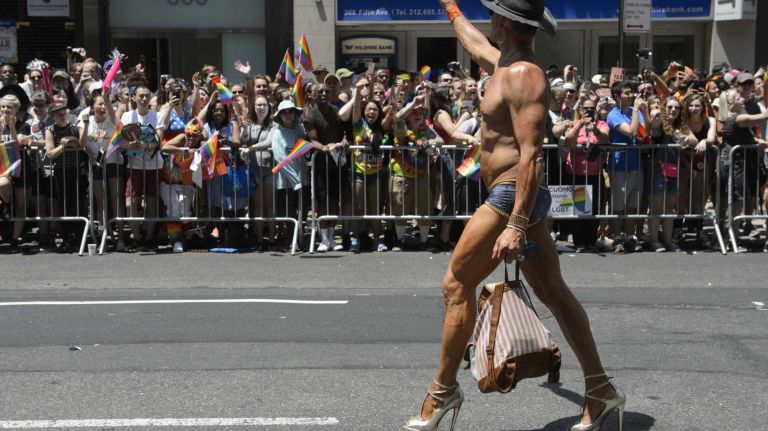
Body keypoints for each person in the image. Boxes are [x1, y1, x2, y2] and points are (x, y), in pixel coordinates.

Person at [404, 2, 624, 431]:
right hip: (514, 196)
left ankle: (442, 392)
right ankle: (600, 390)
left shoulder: (524, 74)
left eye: (494, 13)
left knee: (455, 284)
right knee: (555, 293)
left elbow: (532, 156)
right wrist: (449, 6)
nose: (488, 20)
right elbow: (472, 40)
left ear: (504, 22)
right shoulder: (504, 63)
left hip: (510, 197)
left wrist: (516, 224)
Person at [78, 91, 126, 251]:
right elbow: (83, 143)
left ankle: (120, 238)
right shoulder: (86, 120)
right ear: (92, 107)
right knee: (100, 202)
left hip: (114, 163)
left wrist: (107, 99)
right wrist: (84, 125)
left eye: (105, 103)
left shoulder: (112, 119)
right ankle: (101, 238)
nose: (103, 107)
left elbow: (113, 114)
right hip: (96, 165)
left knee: (116, 200)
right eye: (99, 104)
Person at [607, 80, 650, 253]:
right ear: (617, 96)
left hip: (635, 164)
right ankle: (617, 237)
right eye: (626, 93)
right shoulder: (613, 114)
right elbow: (631, 131)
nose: (631, 95)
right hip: (619, 166)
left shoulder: (634, 111)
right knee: (619, 205)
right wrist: (636, 113)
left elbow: (643, 134)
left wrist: (644, 112)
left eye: (631, 92)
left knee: (633, 204)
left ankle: (629, 236)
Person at [350, 78, 392, 252]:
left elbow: (392, 113)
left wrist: (394, 102)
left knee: (375, 209)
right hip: (358, 173)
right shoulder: (358, 125)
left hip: (375, 174)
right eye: (369, 110)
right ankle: (355, 240)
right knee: (358, 208)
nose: (371, 112)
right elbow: (356, 107)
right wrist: (359, 91)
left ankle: (377, 240)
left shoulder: (381, 128)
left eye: (375, 110)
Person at [563, 97, 609, 252]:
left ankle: (591, 241)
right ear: (581, 110)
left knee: (594, 209)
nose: (589, 111)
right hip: (577, 174)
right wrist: (580, 125)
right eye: (586, 108)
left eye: (591, 108)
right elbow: (568, 142)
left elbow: (605, 139)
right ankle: (579, 242)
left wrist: (594, 129)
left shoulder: (602, 124)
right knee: (580, 209)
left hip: (595, 174)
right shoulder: (575, 124)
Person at [121, 85, 163, 251]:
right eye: (141, 96)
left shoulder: (157, 116)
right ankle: (137, 237)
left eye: (147, 96)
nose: (144, 99)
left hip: (153, 165)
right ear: (134, 98)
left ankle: (149, 238)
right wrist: (131, 145)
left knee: (152, 201)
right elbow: (122, 141)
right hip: (134, 165)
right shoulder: (126, 116)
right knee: (131, 201)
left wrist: (143, 145)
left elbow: (158, 141)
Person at [45, 103, 88, 253]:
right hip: (60, 171)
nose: (62, 115)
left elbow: (83, 144)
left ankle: (79, 237)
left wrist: (74, 139)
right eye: (58, 114)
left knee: (78, 204)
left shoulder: (75, 127)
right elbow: (50, 154)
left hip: (76, 170)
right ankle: (66, 238)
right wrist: (63, 146)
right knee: (64, 204)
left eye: (64, 112)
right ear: (53, 117)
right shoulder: (50, 130)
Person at [679, 93, 716, 248]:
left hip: (703, 161)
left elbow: (711, 138)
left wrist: (703, 140)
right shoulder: (682, 121)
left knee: (700, 196)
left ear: (703, 108)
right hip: (684, 159)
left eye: (697, 106)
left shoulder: (710, 120)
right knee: (682, 197)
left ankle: (699, 229)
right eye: (691, 105)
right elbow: (687, 140)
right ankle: (677, 229)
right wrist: (696, 141)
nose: (693, 108)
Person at [240, 96, 277, 250]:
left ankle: (272, 239)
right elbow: (244, 139)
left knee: (270, 206)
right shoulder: (251, 124)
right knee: (258, 206)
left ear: (268, 108)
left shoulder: (274, 124)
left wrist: (251, 149)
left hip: (269, 170)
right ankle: (260, 239)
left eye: (264, 105)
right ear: (254, 107)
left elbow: (269, 142)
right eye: (258, 105)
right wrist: (244, 128)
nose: (261, 107)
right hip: (255, 169)